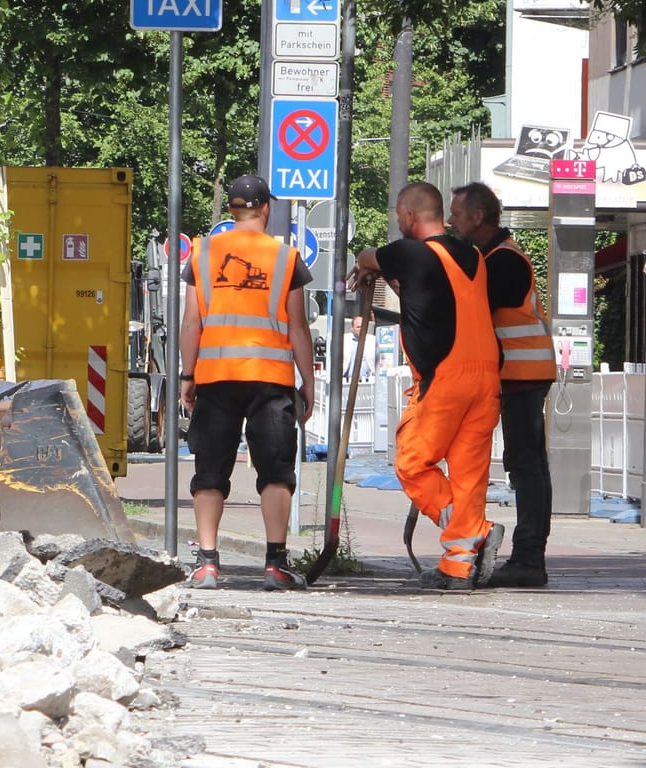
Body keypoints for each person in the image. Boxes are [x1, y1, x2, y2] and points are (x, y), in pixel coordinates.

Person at [349, 181, 504, 590]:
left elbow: (368, 256)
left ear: (410, 217)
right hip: (486, 376)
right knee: (470, 475)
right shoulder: (471, 255)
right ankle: (458, 565)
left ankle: (477, 531)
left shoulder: (408, 252)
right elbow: (434, 294)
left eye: (399, 215)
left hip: (446, 378)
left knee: (413, 462)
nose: (399, 222)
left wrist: (369, 264)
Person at [177, 174, 316, 591]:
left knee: (210, 469)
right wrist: (307, 381)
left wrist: (188, 374)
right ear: (266, 209)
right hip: (270, 379)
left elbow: (190, 322)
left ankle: (206, 564)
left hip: (216, 378)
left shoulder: (201, 255)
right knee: (275, 470)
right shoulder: (285, 257)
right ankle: (275, 565)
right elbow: (298, 326)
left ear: (233, 211)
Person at [451, 181, 556, 588]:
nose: (451, 221)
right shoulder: (491, 257)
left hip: (522, 376)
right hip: (511, 374)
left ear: (478, 217)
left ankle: (529, 557)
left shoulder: (503, 262)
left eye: (457, 214)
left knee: (526, 465)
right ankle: (519, 553)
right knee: (522, 463)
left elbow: (470, 308)